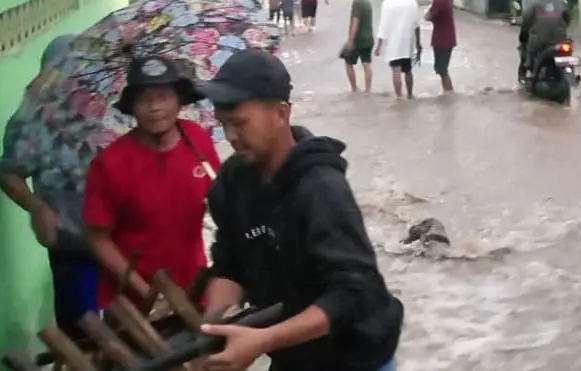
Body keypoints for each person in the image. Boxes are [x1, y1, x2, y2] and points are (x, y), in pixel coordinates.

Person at [195, 49, 404, 371]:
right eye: (224, 125)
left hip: (355, 358)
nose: (232, 136)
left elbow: (354, 291)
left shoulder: (320, 188)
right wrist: (215, 330)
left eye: (240, 124)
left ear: (281, 114)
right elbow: (229, 263)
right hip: (293, 355)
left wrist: (262, 340)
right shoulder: (233, 182)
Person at [82, 57, 219, 309]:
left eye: (163, 96)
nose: (154, 107)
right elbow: (97, 238)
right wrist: (148, 293)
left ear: (179, 102)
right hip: (132, 304)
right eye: (144, 99)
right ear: (132, 107)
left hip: (193, 287)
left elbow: (220, 201)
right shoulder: (109, 164)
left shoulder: (197, 139)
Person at [0, 35, 97, 337]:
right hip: (72, 244)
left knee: (133, 327)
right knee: (84, 332)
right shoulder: (32, 122)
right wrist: (35, 206)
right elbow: (9, 171)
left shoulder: (117, 110)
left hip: (125, 241)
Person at [375, 0, 421, 98]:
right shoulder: (411, 0)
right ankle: (410, 95)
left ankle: (399, 97)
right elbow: (416, 24)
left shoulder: (388, 2)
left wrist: (378, 46)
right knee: (408, 70)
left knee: (396, 69)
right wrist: (418, 43)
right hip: (408, 41)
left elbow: (383, 25)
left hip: (394, 42)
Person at [424, 0, 456, 93]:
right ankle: (448, 94)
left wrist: (428, 12)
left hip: (443, 39)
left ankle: (449, 94)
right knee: (442, 69)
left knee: (442, 69)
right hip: (445, 38)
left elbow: (428, 16)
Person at [343, 0, 375, 93]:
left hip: (358, 39)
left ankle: (354, 89)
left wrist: (350, 40)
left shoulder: (357, 2)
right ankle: (368, 90)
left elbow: (355, 23)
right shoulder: (366, 1)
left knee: (348, 62)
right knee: (367, 64)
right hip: (369, 38)